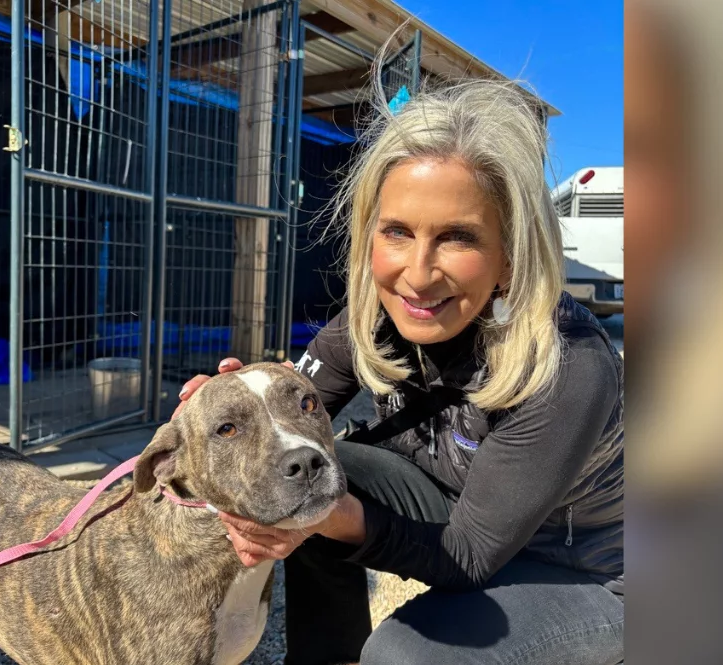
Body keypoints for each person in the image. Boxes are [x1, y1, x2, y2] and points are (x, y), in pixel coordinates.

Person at [176, 78, 624, 665]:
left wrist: (331, 518)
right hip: (466, 512)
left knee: (406, 656)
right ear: (370, 236)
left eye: (457, 237)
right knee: (316, 471)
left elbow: (468, 555)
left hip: (586, 570)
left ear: (510, 256)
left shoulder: (568, 363)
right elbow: (293, 407)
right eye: (397, 232)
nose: (417, 274)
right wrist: (234, 405)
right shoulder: (375, 317)